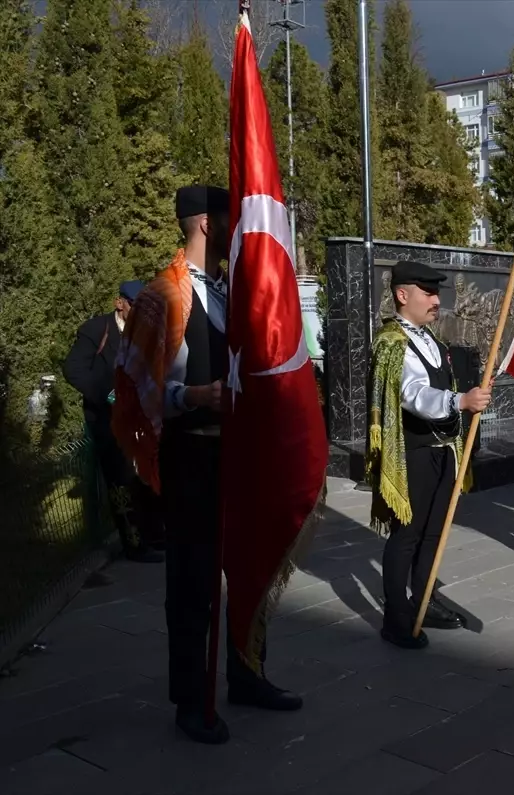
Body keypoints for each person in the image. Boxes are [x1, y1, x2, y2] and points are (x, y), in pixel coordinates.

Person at [112, 185, 300, 745]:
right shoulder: (162, 297)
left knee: (250, 569)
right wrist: (192, 398)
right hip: (192, 454)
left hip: (238, 455)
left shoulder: (231, 292)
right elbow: (139, 387)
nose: (236, 228)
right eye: (227, 218)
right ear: (203, 224)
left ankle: (247, 672)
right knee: (193, 580)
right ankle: (191, 700)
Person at [368, 260, 490, 646]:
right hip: (414, 453)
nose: (437, 300)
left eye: (437, 293)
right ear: (403, 295)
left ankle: (423, 601)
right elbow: (413, 395)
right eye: (429, 293)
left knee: (434, 533)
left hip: (443, 452)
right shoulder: (392, 342)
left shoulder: (430, 339)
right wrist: (459, 400)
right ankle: (397, 617)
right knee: (408, 535)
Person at [63, 279, 164, 563]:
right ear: (120, 303)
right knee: (121, 482)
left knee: (148, 477)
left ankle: (156, 536)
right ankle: (134, 544)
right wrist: (108, 394)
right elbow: (73, 369)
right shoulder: (97, 330)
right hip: (108, 422)